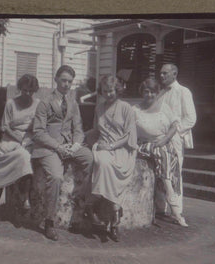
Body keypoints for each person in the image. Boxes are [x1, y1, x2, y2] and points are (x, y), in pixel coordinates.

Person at [31, 65, 94, 241]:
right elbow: (38, 132)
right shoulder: (44, 102)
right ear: (56, 80)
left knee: (89, 158)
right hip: (49, 147)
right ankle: (49, 221)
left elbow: (79, 129)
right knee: (57, 177)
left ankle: (84, 202)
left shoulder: (73, 103)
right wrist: (58, 147)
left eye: (70, 82)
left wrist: (75, 145)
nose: (66, 85)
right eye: (64, 80)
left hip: (69, 146)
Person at [0, 74, 41, 229]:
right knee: (1, 172)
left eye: (31, 91)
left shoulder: (38, 104)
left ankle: (24, 199)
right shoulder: (11, 104)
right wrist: (18, 138)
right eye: (25, 90)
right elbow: (4, 126)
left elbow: (39, 126)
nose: (28, 94)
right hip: (10, 139)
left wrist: (28, 139)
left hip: (29, 140)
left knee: (27, 156)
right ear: (20, 89)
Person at [133, 78, 188, 227]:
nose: (149, 95)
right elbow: (130, 131)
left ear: (157, 93)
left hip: (163, 143)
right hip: (143, 145)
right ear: (142, 92)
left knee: (162, 151)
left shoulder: (164, 107)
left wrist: (164, 140)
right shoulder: (136, 109)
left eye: (152, 92)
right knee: (160, 152)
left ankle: (169, 194)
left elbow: (174, 126)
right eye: (146, 91)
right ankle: (173, 200)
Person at [91, 75, 138, 242]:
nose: (108, 94)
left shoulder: (126, 108)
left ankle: (95, 207)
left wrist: (112, 146)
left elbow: (128, 136)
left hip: (122, 149)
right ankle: (115, 214)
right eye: (105, 91)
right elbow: (96, 130)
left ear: (117, 90)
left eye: (111, 91)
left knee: (110, 166)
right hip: (103, 145)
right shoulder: (99, 108)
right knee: (103, 162)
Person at [157, 64, 197, 217]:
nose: (161, 76)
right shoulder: (161, 93)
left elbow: (191, 118)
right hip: (160, 138)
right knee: (161, 171)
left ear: (174, 74)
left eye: (165, 73)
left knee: (174, 172)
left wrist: (176, 134)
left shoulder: (183, 91)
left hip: (175, 138)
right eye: (160, 73)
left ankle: (177, 210)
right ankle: (161, 207)